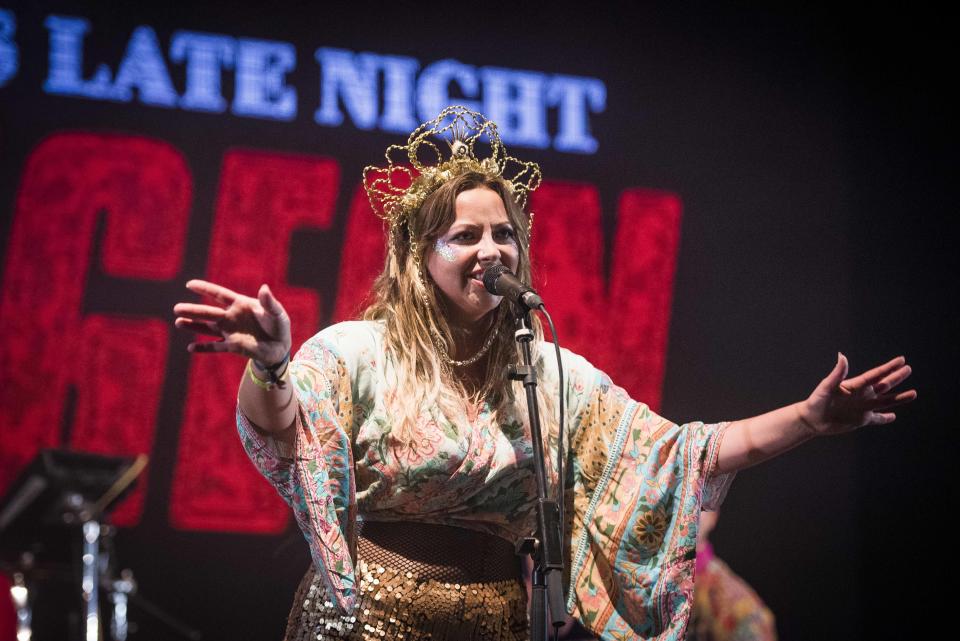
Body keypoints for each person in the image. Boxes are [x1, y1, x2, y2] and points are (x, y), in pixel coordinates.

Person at [173, 106, 916, 641]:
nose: (490, 249)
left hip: (500, 619)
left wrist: (809, 419)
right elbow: (284, 426)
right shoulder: (358, 351)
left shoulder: (552, 374)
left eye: (505, 233)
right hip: (370, 619)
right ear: (418, 257)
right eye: (464, 235)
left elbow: (681, 452)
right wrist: (271, 362)